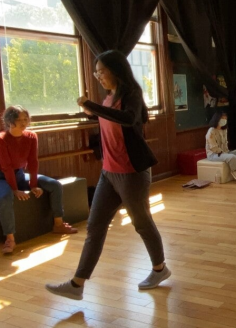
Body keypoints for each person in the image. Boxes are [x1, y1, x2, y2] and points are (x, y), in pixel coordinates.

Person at [46, 50, 170, 300]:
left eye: (101, 71)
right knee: (95, 226)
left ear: (116, 70)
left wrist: (91, 106)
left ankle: (160, 269)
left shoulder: (132, 95)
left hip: (131, 172)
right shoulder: (108, 98)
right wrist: (93, 111)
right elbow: (109, 122)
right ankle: (77, 284)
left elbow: (128, 119)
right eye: (96, 72)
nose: (98, 76)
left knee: (141, 222)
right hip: (109, 173)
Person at [0, 106, 77, 254]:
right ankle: (10, 239)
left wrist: (34, 185)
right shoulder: (0, 139)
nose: (23, 123)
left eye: (25, 119)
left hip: (20, 174)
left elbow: (33, 162)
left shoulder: (31, 136)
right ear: (9, 121)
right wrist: (14, 189)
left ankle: (58, 224)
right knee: (5, 196)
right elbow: (6, 167)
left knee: (54, 185)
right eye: (19, 120)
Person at [205, 111, 236, 183]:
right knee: (233, 157)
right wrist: (223, 153)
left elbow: (225, 143)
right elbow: (214, 148)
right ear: (217, 119)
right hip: (214, 154)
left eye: (225, 119)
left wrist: (226, 152)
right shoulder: (211, 131)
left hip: (225, 151)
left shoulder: (224, 129)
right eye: (222, 118)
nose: (224, 120)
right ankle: (234, 172)